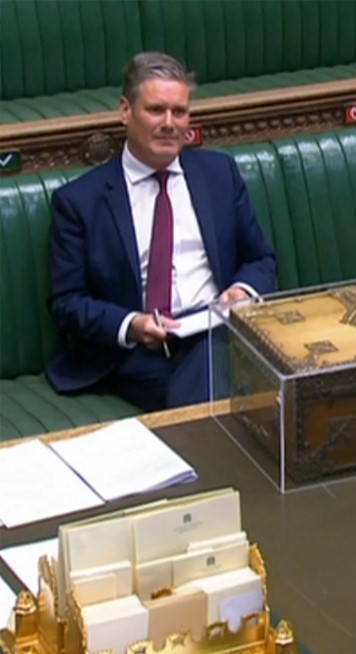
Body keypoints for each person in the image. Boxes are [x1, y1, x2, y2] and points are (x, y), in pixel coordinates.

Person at [46, 52, 276, 411]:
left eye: (179, 111)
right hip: (141, 352)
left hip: (221, 330)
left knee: (218, 353)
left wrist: (241, 289)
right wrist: (132, 324)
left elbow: (260, 258)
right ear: (125, 110)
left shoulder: (219, 174)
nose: (170, 123)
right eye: (156, 110)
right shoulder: (80, 201)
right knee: (223, 375)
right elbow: (67, 302)